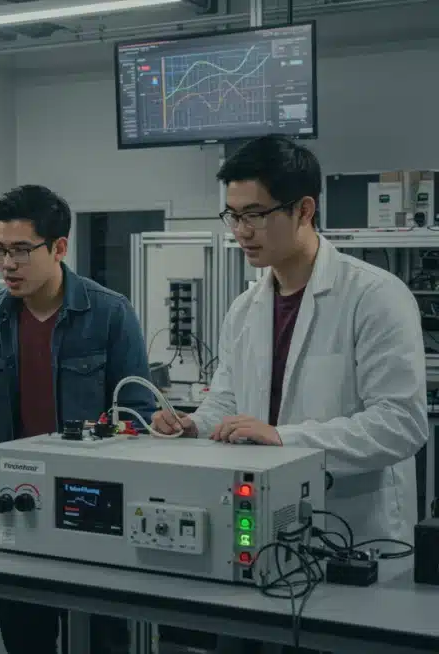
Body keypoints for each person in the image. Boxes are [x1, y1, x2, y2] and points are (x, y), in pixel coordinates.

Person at [152, 134, 427, 548]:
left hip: (354, 532)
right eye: (233, 216)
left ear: (304, 210)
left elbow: (400, 423)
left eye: (255, 215)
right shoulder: (245, 309)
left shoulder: (375, 297)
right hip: (266, 525)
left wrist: (286, 439)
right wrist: (194, 424)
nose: (242, 232)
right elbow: (228, 400)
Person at [0, 184, 156, 654]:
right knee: (25, 635)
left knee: (103, 639)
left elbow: (138, 417)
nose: (7, 264)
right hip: (20, 504)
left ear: (59, 247)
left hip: (95, 510)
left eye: (21, 250)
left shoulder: (109, 313)